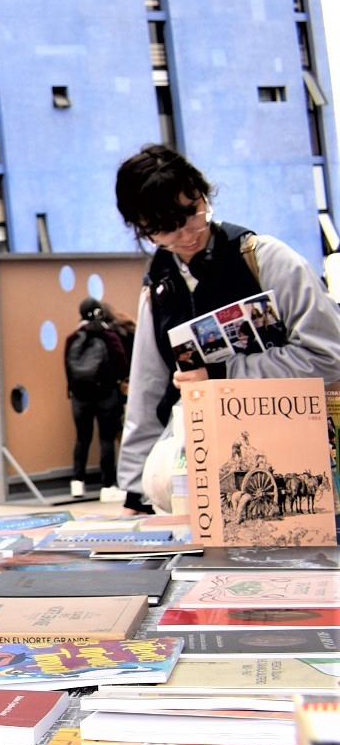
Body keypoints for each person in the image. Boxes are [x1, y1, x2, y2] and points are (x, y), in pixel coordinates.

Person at [114, 145, 340, 510]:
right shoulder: (157, 287)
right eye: (165, 229)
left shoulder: (267, 260)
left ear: (203, 192)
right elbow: (147, 391)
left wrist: (224, 375)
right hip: (195, 480)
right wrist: (134, 493)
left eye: (193, 212)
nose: (187, 234)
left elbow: (330, 357)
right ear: (143, 230)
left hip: (287, 461)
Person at [63, 298, 128, 502]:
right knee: (106, 438)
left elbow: (67, 368)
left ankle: (77, 482)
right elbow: (122, 364)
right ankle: (107, 486)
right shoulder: (109, 336)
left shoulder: (72, 338)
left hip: (80, 398)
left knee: (82, 438)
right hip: (106, 395)